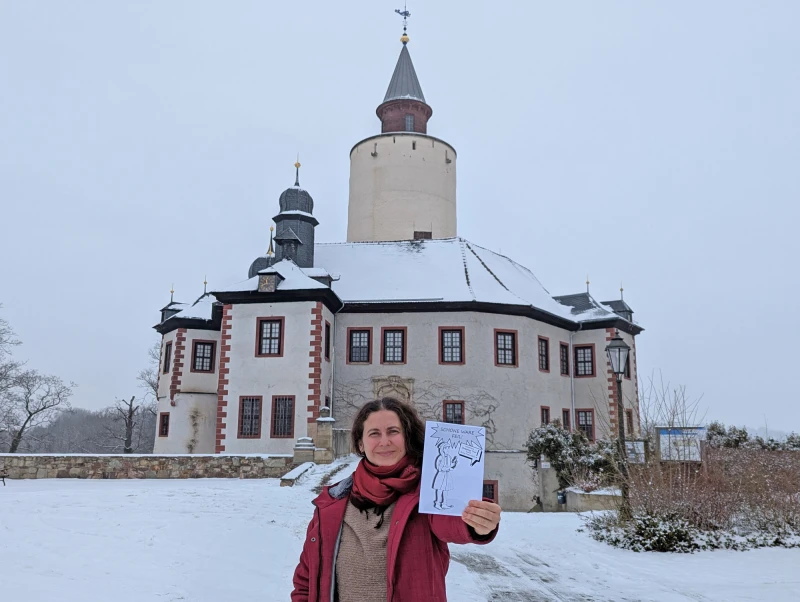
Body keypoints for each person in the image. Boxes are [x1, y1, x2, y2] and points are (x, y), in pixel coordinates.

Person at [291, 397, 502, 602]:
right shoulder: (332, 503)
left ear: (407, 438)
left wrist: (477, 521)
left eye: (393, 431)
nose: (385, 441)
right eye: (374, 433)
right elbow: (306, 580)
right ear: (361, 444)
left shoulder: (428, 492)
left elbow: (451, 520)